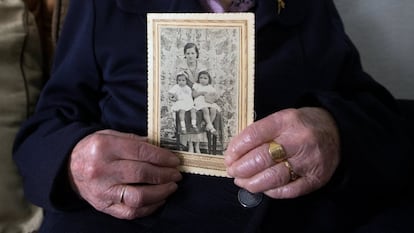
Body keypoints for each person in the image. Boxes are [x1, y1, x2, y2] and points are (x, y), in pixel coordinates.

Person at [12, 0, 414, 233]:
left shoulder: (305, 6)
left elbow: (374, 113)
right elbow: (45, 127)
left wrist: (333, 132)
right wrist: (75, 163)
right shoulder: (104, 5)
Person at [192, 70, 221, 135]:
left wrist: (213, 97)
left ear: (209, 80)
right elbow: (193, 95)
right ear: (198, 79)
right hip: (199, 100)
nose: (203, 80)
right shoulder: (196, 85)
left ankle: (208, 124)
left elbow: (214, 96)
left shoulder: (210, 87)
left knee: (213, 110)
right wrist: (201, 93)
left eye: (205, 78)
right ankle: (211, 127)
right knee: (205, 110)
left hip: (208, 101)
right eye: (201, 78)